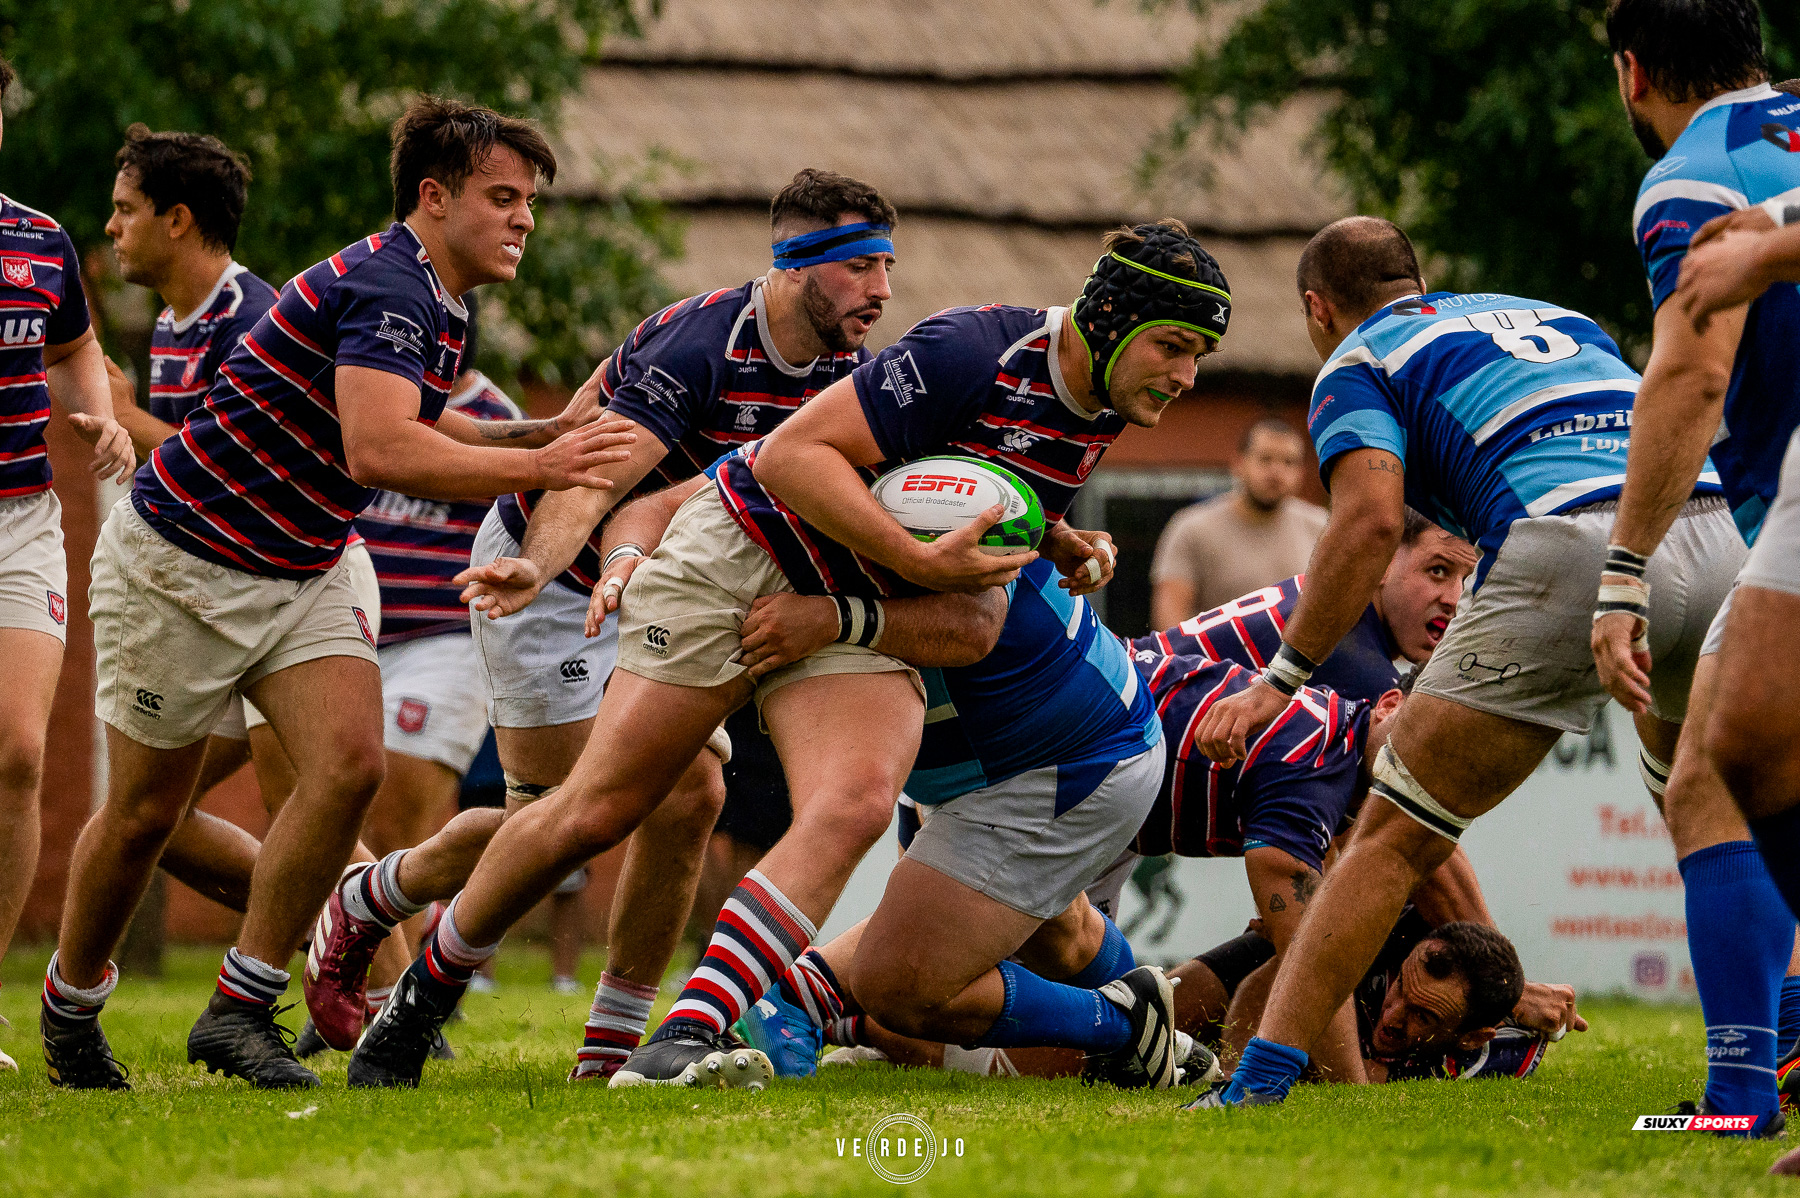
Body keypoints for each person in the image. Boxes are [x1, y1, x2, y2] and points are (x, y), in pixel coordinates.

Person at [346, 218, 1231, 1090]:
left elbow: (973, 518)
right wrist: (915, 559)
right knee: (596, 809)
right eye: (1176, 346)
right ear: (1111, 317)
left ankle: (681, 1038)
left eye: (1201, 357)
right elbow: (791, 458)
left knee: (852, 804)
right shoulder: (974, 346)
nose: (1187, 376)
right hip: (734, 554)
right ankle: (420, 1000)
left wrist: (1047, 539)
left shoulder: (1100, 406)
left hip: (842, 601)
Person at [40, 95, 634, 1091]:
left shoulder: (440, 293)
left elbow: (425, 424)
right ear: (434, 198)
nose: (525, 217)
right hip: (181, 564)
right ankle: (69, 1006)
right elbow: (382, 447)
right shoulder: (393, 288)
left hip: (304, 562)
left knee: (350, 766)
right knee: (146, 814)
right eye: (503, 197)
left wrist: (540, 439)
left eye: (529, 200)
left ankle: (241, 1003)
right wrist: (551, 460)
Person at [327, 168, 897, 1083]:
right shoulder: (703, 344)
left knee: (684, 799)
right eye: (862, 266)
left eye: (887, 266)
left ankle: (609, 1049)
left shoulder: (850, 373)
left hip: (662, 598)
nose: (882, 290)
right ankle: (378, 901)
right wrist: (538, 566)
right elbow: (592, 478)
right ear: (796, 267)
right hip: (553, 583)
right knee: (566, 819)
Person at [1185, 215, 1737, 1113]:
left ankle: (1255, 1086)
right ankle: (1761, 1069)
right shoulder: (1562, 321)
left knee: (1394, 837)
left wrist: (1274, 684)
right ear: (1423, 278)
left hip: (1567, 543)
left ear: (1316, 310)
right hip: (1712, 532)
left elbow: (1368, 522)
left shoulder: (1359, 360)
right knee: (1716, 818)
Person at [1590, 0, 1800, 1147]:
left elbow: (1689, 376)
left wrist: (1624, 572)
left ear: (1634, 72)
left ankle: (1740, 1096)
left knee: (1716, 771)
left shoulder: (1691, 175)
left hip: (1793, 508)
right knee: (1732, 766)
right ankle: (1767, 1068)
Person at [0, 54, 136, 1073]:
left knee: (18, 755)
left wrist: (104, 418)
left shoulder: (39, 241)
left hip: (21, 523)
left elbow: (75, 346)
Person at [1149, 418, 1324, 627]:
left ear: (1301, 472)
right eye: (1265, 459)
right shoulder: (1192, 528)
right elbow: (1169, 624)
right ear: (1239, 463)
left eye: (1288, 462)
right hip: (1216, 659)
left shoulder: (1323, 528)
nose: (1276, 472)